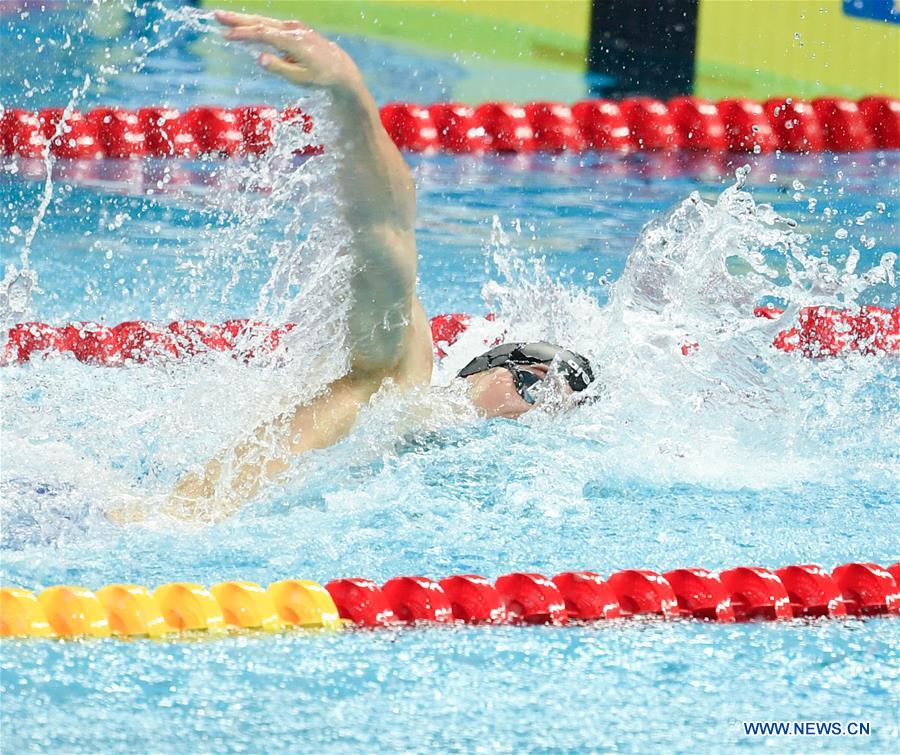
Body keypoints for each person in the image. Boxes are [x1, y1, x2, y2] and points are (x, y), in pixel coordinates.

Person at [151, 11, 596, 522]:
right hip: (146, 530)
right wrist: (350, 94)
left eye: (549, 419)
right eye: (531, 388)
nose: (525, 419)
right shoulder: (397, 379)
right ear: (487, 367)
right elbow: (384, 229)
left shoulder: (423, 474)